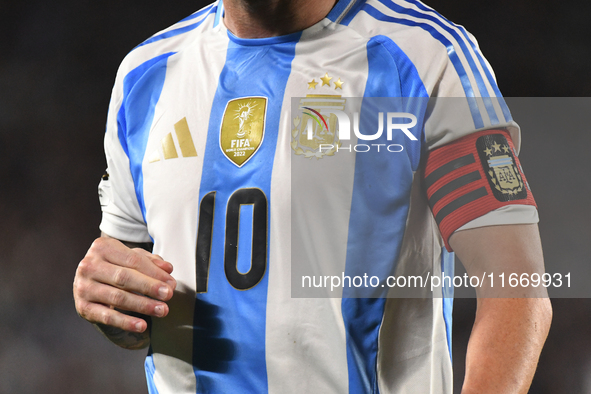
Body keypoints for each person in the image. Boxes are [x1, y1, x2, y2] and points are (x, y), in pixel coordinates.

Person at [73, 0, 552, 392]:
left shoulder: (423, 58)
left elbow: (517, 289)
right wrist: (107, 301)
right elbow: (133, 294)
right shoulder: (146, 75)